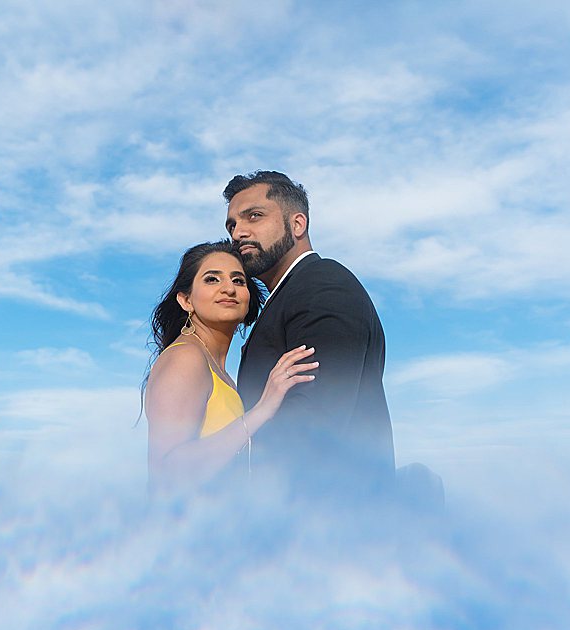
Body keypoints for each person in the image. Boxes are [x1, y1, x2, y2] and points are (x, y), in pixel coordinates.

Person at [221, 171, 397, 500]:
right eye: (231, 225)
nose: (239, 233)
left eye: (254, 217)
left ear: (297, 225)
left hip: (330, 523)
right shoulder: (293, 294)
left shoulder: (322, 286)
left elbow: (317, 424)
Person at [144, 240, 318, 498]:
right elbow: (168, 473)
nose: (229, 289)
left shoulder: (216, 368)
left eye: (238, 281)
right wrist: (261, 411)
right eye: (212, 279)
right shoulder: (186, 358)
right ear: (186, 300)